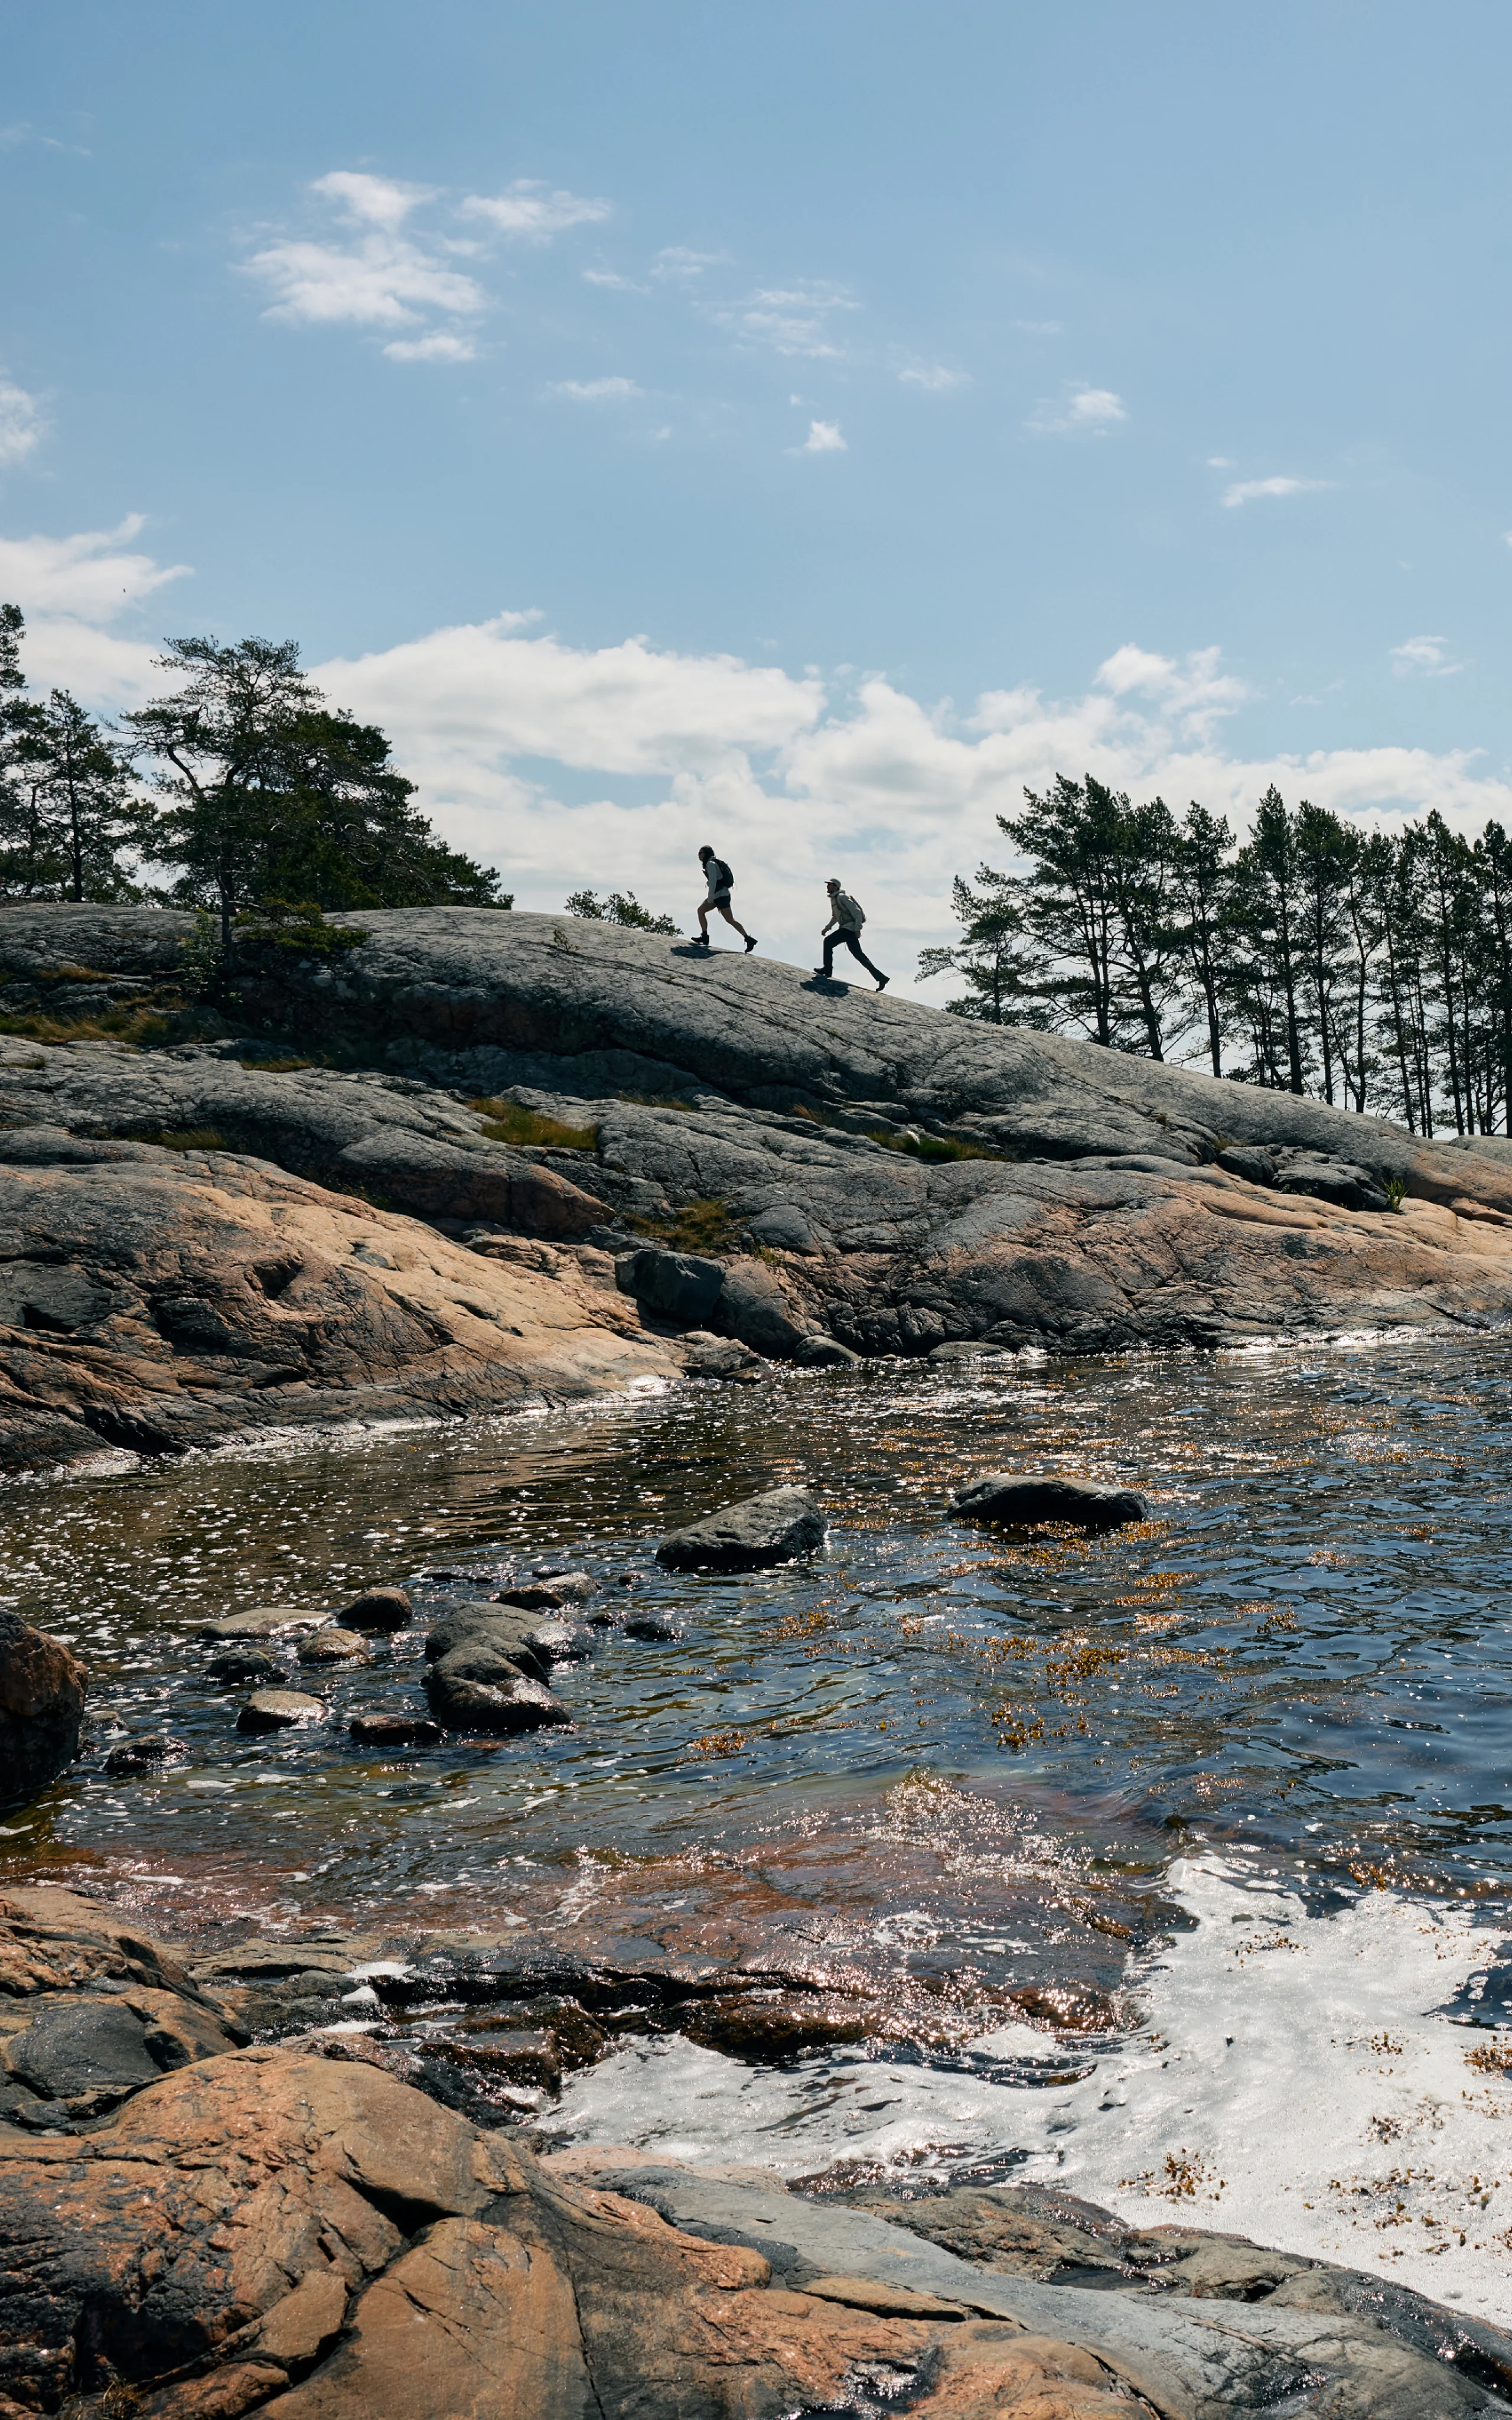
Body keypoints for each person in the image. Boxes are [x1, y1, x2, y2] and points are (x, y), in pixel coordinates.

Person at [817, 878, 888, 990]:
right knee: (859, 956)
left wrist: (857, 929)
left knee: (828, 942)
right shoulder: (834, 899)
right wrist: (827, 928)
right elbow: (835, 917)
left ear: (836, 887)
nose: (828, 887)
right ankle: (881, 978)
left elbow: (857, 913)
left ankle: (827, 969)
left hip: (849, 929)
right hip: (847, 929)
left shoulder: (842, 898)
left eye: (830, 885)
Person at [694, 844, 757, 951]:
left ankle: (748, 939)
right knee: (702, 911)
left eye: (701, 853)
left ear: (706, 854)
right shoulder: (713, 863)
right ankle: (704, 936)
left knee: (729, 919)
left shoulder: (711, 864)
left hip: (720, 895)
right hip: (720, 895)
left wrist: (710, 898)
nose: (699, 855)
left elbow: (713, 881)